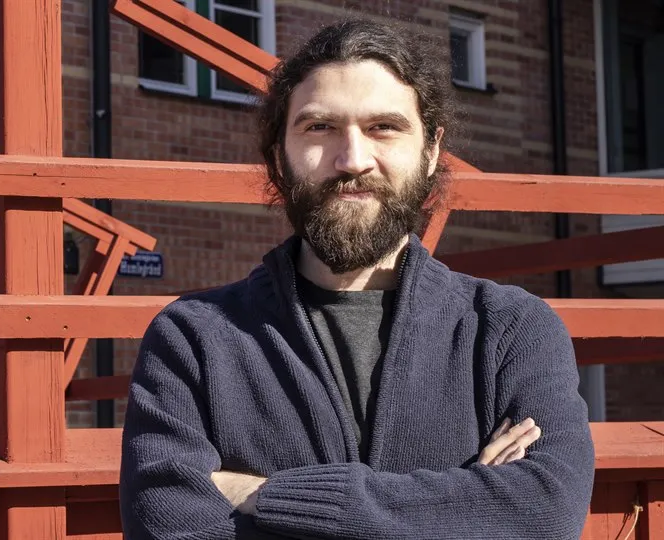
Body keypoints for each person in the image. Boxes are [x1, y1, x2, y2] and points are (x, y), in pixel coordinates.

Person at [120, 18, 595, 539]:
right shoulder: (193, 338)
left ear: (431, 152)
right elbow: (166, 526)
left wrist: (268, 496)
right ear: (278, 156)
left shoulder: (509, 330)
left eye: (383, 127)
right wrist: (467, 503)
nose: (352, 160)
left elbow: (547, 514)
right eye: (319, 127)